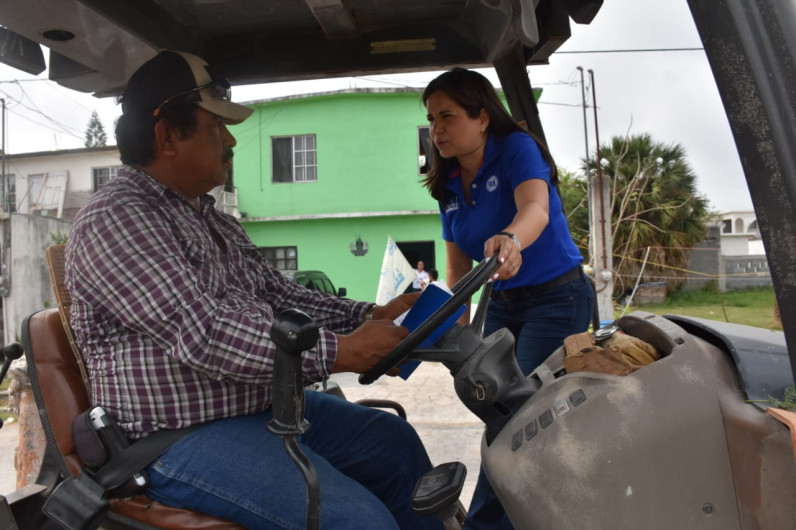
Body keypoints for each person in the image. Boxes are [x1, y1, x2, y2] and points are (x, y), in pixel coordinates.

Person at [64, 50, 442, 530]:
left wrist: (370, 315)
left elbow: (283, 299)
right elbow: (203, 332)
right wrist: (339, 352)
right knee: (359, 522)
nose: (231, 138)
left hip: (259, 410)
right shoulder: (117, 217)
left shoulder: (211, 220)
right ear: (166, 136)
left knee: (395, 447)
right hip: (177, 437)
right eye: (215, 127)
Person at [421, 68, 595, 529]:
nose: (436, 128)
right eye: (430, 118)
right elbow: (458, 272)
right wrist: (449, 330)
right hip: (499, 301)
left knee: (522, 419)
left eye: (447, 116)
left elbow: (534, 208)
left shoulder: (516, 149)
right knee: (500, 416)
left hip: (557, 297)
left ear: (481, 118)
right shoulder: (447, 183)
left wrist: (511, 239)